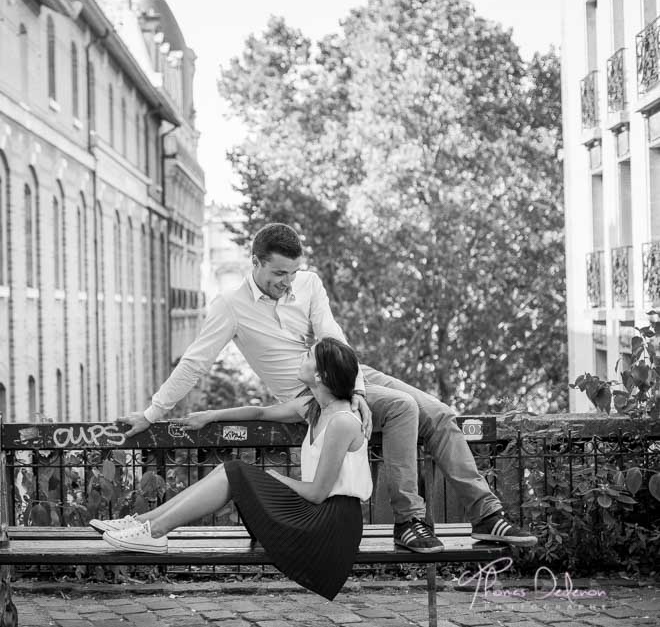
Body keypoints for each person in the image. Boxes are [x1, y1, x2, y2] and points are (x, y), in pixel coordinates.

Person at [115, 223, 536, 553]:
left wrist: (354, 387)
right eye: (280, 273)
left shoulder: (309, 284)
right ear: (256, 263)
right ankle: (409, 521)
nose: (288, 281)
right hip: (314, 396)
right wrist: (152, 414)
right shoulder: (230, 307)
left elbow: (331, 334)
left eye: (293, 272)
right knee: (404, 407)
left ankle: (487, 515)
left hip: (349, 374)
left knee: (441, 413)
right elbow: (195, 362)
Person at [99, 338, 371, 601]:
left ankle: (154, 533)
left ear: (321, 375)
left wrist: (277, 478)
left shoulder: (342, 422)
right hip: (312, 513)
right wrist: (211, 415)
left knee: (235, 471)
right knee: (230, 470)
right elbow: (260, 413)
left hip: (329, 525)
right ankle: (144, 523)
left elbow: (317, 493)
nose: (302, 357)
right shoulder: (313, 407)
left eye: (309, 355)